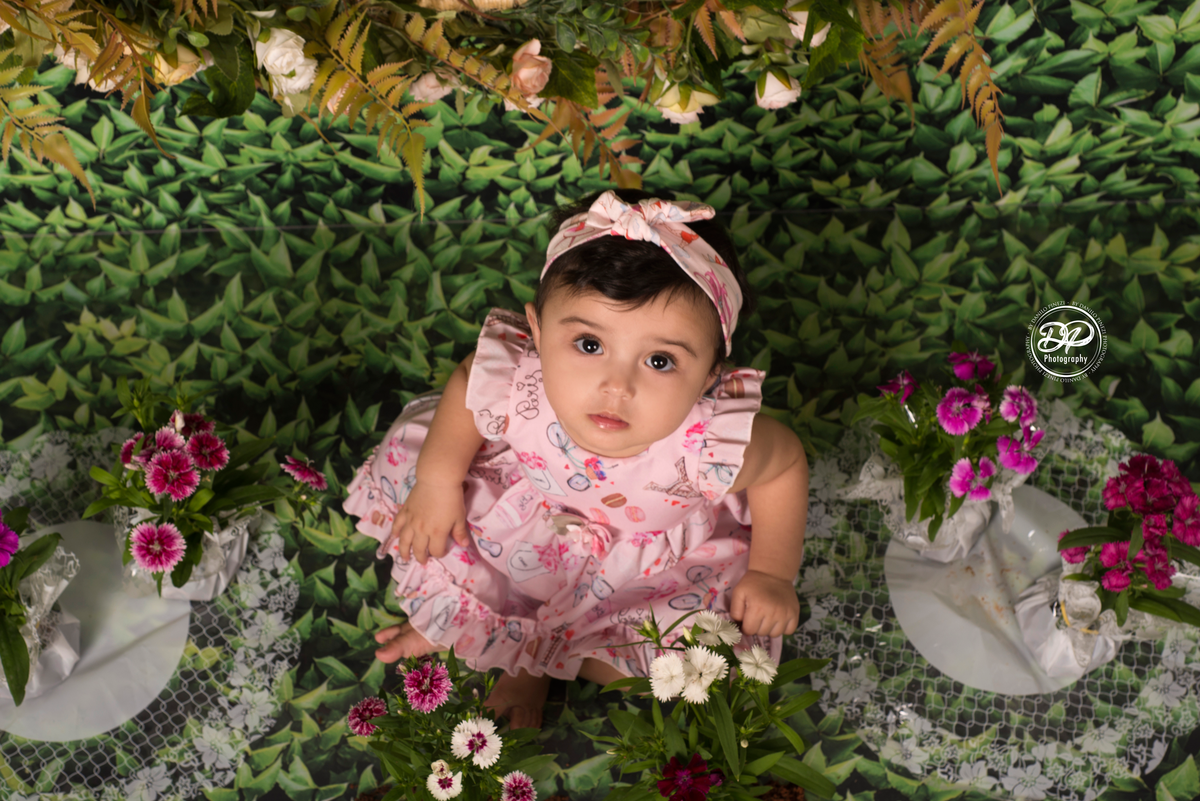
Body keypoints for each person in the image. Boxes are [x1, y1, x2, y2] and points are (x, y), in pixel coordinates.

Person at [343, 188, 809, 729]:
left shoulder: (706, 445)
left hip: (638, 565)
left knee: (685, 670)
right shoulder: (523, 381)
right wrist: (439, 480)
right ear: (537, 331)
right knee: (447, 525)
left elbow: (783, 464)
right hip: (526, 523)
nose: (616, 385)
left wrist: (773, 572)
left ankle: (544, 657)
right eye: (589, 345)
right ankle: (476, 624)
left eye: (660, 360)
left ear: (710, 375)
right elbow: (472, 378)